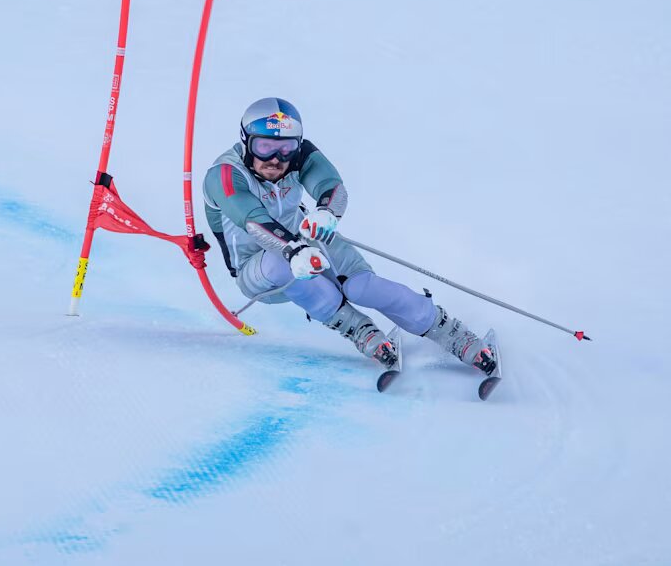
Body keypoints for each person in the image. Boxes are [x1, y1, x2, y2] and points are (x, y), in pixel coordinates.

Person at [202, 97, 497, 376]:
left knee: (361, 286)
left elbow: (332, 186)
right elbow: (253, 219)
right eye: (265, 147)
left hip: (305, 242)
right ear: (246, 142)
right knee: (283, 266)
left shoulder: (298, 157)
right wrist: (293, 251)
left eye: (287, 148)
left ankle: (452, 333)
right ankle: (357, 328)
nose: (276, 159)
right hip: (259, 271)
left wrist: (326, 214)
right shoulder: (224, 175)